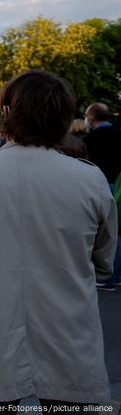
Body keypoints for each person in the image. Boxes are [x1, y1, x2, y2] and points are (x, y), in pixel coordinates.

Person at [0, 70, 117, 412]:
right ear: (64, 116)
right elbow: (104, 260)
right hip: (68, 330)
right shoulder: (89, 179)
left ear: (6, 113)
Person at [83, 102, 121, 291]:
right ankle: (116, 272)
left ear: (91, 118)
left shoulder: (92, 138)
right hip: (117, 182)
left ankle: (106, 276)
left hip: (99, 184)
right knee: (115, 229)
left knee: (101, 229)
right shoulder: (118, 132)